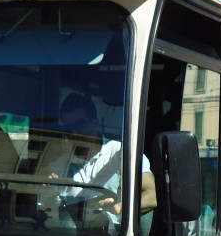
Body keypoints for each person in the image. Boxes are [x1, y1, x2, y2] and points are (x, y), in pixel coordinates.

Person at [50, 93, 155, 221]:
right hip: (69, 233)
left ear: (95, 123)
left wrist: (120, 208)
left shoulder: (121, 153)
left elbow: (152, 195)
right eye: (68, 128)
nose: (74, 132)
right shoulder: (58, 165)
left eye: (79, 125)